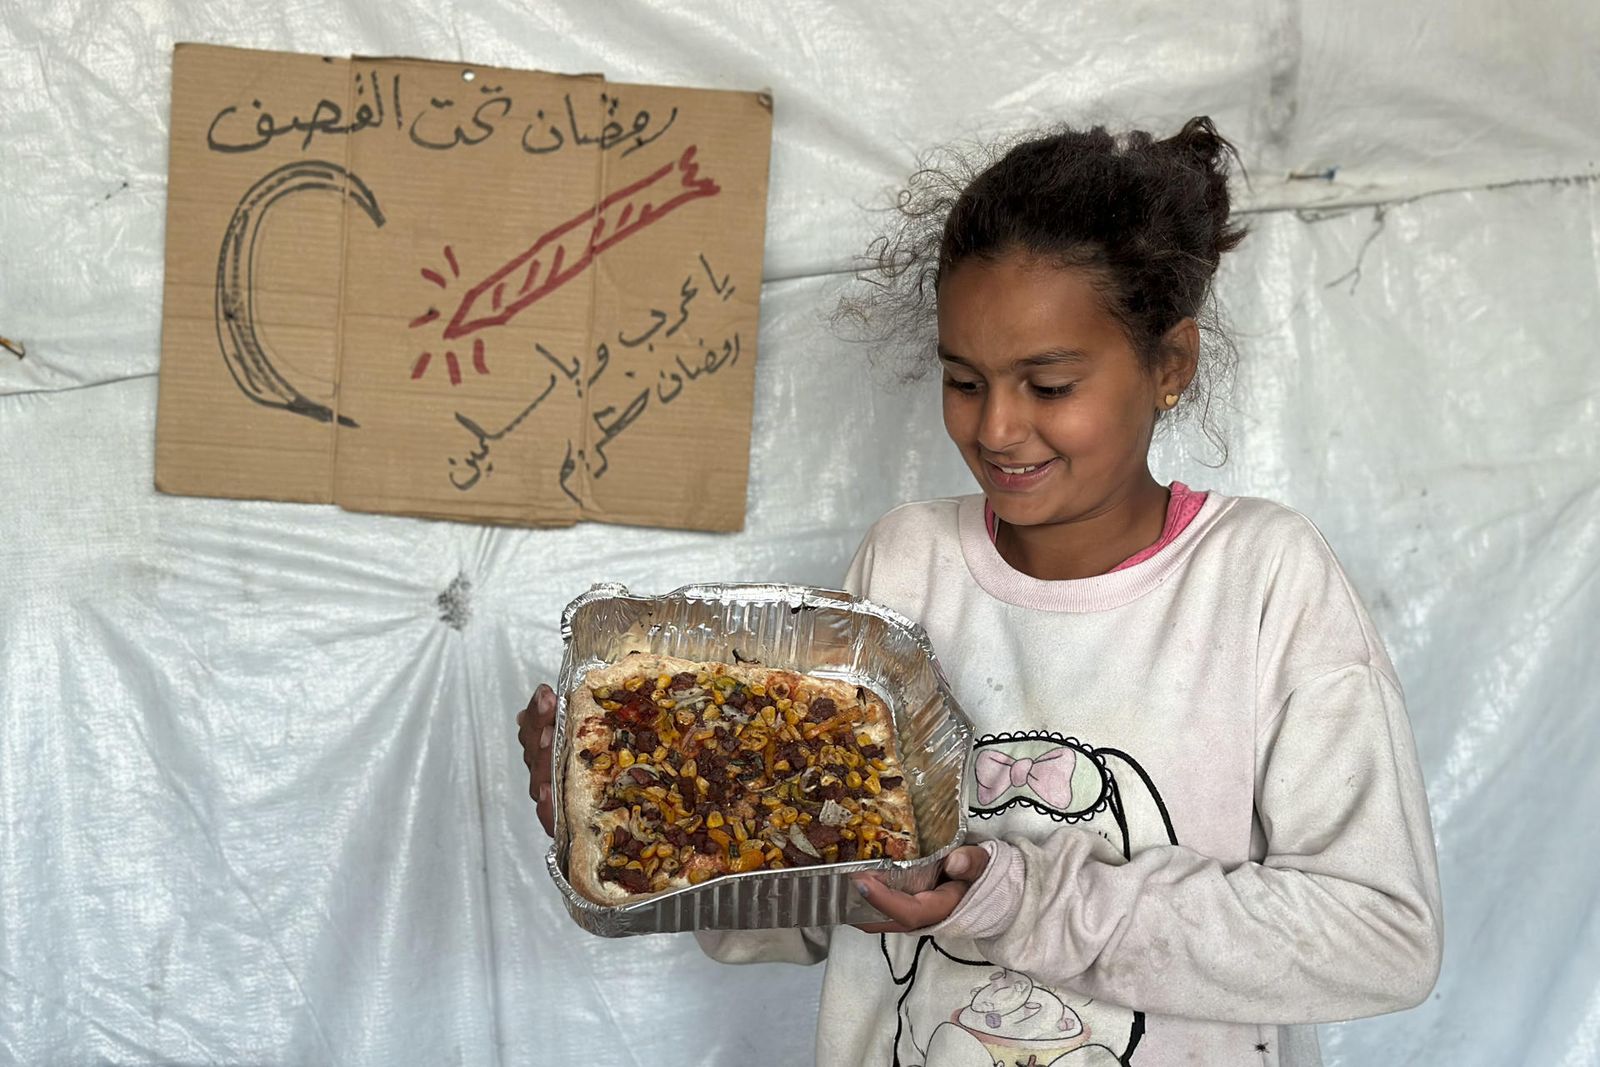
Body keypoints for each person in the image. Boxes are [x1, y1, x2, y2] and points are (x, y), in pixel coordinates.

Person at [518, 116, 1442, 1067]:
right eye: (965, 380)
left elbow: (1380, 935)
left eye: (1048, 385)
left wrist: (1025, 900)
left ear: (1170, 365)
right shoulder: (907, 564)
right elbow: (809, 900)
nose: (998, 427)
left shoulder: (1263, 580)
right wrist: (632, 805)